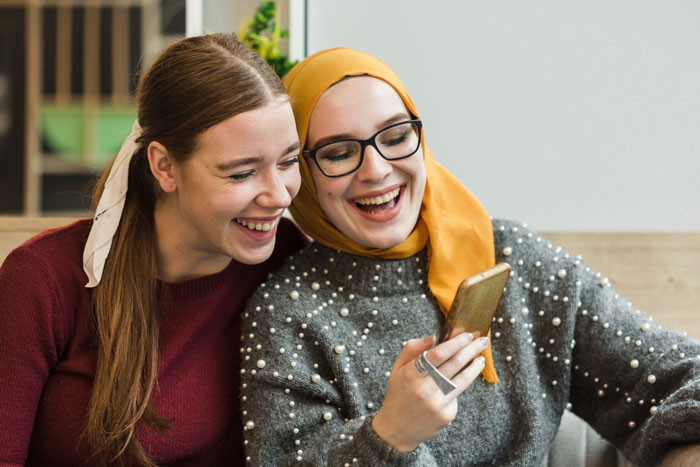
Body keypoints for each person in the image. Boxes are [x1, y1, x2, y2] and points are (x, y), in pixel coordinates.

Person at [238, 47, 700, 466]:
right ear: (302, 173)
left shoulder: (512, 257)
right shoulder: (286, 313)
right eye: (339, 153)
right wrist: (389, 435)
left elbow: (667, 376)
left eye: (396, 136)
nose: (376, 170)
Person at [0, 33, 307, 466]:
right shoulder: (42, 280)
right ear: (164, 166)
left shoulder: (287, 262)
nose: (279, 195)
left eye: (288, 161)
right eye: (241, 173)